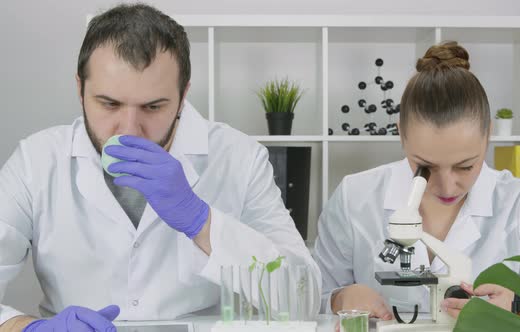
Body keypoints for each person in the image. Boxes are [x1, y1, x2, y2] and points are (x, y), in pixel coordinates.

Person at [0, 4, 320, 332]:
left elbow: (304, 298)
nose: (128, 129)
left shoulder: (238, 158)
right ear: (80, 88)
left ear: (183, 97)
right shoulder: (35, 163)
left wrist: (201, 221)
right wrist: (24, 328)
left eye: (153, 107)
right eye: (109, 103)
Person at [313, 41, 520, 324]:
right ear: (401, 135)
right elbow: (308, 293)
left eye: (465, 166)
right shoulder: (355, 196)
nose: (447, 187)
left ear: (488, 135)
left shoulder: (518, 202)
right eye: (425, 167)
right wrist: (339, 298)